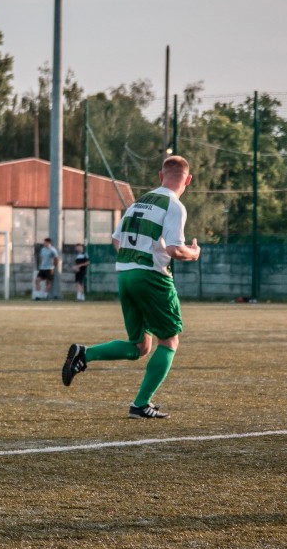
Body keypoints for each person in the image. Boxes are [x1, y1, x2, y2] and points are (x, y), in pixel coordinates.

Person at [61, 155, 201, 419]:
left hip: (125, 274)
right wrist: (193, 253)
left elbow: (117, 241)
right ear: (188, 180)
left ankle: (84, 354)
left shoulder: (138, 202)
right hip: (151, 277)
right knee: (169, 340)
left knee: (140, 346)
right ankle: (141, 404)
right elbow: (174, 249)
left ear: (160, 176)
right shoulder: (174, 205)